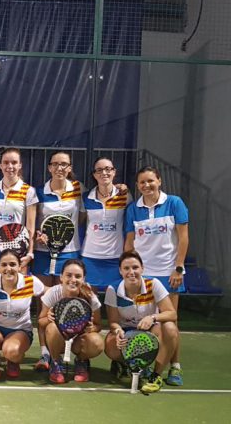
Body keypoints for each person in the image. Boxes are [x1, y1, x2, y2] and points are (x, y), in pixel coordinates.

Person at [124, 166, 188, 386]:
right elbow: (130, 242)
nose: (147, 185)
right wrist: (129, 270)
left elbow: (183, 237)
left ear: (159, 181)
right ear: (137, 186)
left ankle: (175, 366)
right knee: (147, 323)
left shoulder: (174, 203)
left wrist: (178, 268)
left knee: (170, 322)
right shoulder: (133, 209)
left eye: (150, 181)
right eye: (142, 182)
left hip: (169, 274)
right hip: (143, 276)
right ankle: (147, 363)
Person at [33, 151, 85, 370]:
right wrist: (39, 235)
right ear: (49, 168)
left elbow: (82, 218)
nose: (59, 168)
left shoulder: (78, 190)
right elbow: (33, 222)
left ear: (70, 167)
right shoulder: (39, 192)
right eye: (55, 164)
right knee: (44, 303)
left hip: (69, 253)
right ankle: (45, 353)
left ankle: (65, 352)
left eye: (64, 164)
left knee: (69, 303)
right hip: (43, 253)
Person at [104, 251, 179, 394]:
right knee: (110, 345)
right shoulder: (113, 289)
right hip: (126, 333)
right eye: (126, 268)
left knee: (170, 328)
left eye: (135, 267)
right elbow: (113, 322)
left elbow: (172, 313)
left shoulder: (153, 284)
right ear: (120, 271)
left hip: (150, 331)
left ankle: (155, 376)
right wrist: (118, 331)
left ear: (142, 268)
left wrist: (152, 318)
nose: (131, 272)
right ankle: (125, 363)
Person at [0, 249, 44, 379]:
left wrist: (67, 289)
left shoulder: (30, 282)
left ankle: (13, 360)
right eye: (4, 265)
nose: (8, 268)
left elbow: (49, 293)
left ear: (19, 266)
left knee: (12, 351)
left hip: (20, 329)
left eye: (12, 264)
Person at [37, 259, 104, 384]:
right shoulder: (53, 293)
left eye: (78, 276)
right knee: (52, 327)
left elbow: (98, 325)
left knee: (97, 342)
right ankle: (55, 362)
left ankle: (81, 361)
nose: (73, 279)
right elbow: (41, 322)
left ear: (83, 279)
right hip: (59, 340)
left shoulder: (90, 297)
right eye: (69, 275)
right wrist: (49, 318)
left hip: (78, 340)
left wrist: (91, 328)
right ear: (61, 277)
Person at [0, 148, 38, 275]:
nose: (10, 166)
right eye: (6, 162)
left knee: (17, 287)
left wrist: (30, 252)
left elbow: (30, 227)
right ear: (0, 165)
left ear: (20, 165)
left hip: (18, 249)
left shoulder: (28, 191)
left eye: (14, 162)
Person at [81, 157, 131, 290]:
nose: (104, 173)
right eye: (99, 170)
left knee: (115, 296)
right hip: (90, 256)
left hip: (116, 256)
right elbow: (80, 222)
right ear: (94, 174)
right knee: (90, 297)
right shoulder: (86, 197)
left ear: (114, 172)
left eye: (108, 169)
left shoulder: (125, 196)